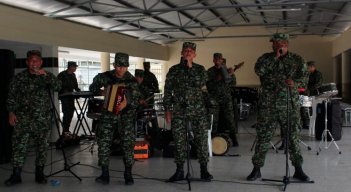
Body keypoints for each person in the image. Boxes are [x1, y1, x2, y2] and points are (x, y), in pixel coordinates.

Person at [246, 33, 310, 181]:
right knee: (263, 137)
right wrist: (275, 57)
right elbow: (259, 71)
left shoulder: (297, 59)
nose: (276, 45)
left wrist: (295, 83)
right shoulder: (265, 58)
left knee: (293, 138)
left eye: (280, 42)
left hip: (289, 105)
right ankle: (256, 169)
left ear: (286, 43)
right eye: (274, 43)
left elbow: (305, 79)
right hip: (268, 106)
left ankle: (298, 170)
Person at [5, 50, 61, 186]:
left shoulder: (47, 76)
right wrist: (11, 113)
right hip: (22, 119)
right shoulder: (19, 78)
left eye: (36, 60)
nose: (33, 63)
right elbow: (11, 97)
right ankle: (16, 174)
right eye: (30, 60)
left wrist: (46, 76)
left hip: (42, 119)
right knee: (19, 146)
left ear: (41, 62)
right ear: (26, 62)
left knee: (42, 147)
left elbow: (58, 86)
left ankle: (39, 173)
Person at [89, 52, 141, 185]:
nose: (121, 69)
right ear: (114, 65)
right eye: (118, 66)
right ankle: (104, 173)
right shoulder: (105, 77)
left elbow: (137, 101)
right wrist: (102, 92)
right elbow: (92, 88)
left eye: (124, 66)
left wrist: (128, 103)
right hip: (108, 116)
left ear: (128, 66)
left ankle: (128, 174)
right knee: (104, 143)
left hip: (126, 118)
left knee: (128, 145)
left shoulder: (132, 81)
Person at [164, 42, 213, 182]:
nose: (188, 52)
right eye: (185, 50)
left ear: (195, 54)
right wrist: (168, 109)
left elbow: (200, 83)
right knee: (179, 141)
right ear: (181, 53)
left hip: (198, 110)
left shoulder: (200, 69)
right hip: (179, 110)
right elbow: (168, 91)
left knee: (201, 140)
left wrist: (190, 67)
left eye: (191, 51)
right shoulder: (173, 70)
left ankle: (204, 170)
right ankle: (179, 171)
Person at [206, 53, 239, 146]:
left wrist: (232, 75)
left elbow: (233, 84)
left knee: (230, 118)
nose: (218, 60)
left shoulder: (226, 70)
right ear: (213, 60)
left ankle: (234, 138)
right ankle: (212, 139)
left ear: (222, 60)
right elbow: (208, 85)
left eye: (219, 59)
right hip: (214, 99)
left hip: (226, 98)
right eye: (216, 59)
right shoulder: (210, 71)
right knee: (213, 119)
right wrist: (217, 79)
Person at [57, 61, 80, 136]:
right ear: (70, 67)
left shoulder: (73, 75)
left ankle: (67, 130)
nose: (75, 68)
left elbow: (75, 86)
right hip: (64, 97)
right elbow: (58, 87)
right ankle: (65, 131)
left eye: (75, 67)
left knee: (71, 113)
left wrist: (78, 92)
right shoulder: (62, 75)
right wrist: (63, 91)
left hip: (70, 96)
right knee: (66, 113)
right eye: (74, 67)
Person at [142, 61, 160, 130]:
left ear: (149, 67)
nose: (146, 67)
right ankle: (144, 126)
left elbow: (156, 85)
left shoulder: (152, 75)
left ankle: (150, 127)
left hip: (150, 96)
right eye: (145, 66)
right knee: (143, 112)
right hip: (142, 96)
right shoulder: (142, 74)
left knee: (150, 112)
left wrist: (155, 90)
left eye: (147, 66)